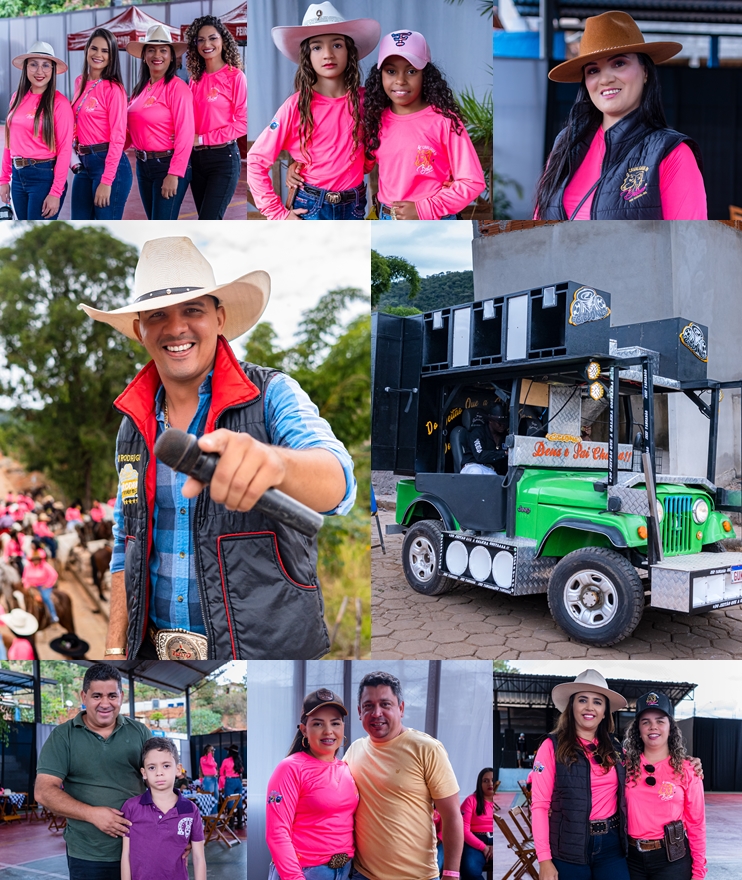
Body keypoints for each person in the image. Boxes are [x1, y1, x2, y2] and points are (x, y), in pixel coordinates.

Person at [78, 235, 355, 661]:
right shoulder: (131, 425)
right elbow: (125, 541)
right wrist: (116, 647)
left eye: (192, 310)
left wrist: (276, 464)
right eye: (157, 316)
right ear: (140, 330)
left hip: (262, 654)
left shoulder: (271, 394)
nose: (176, 328)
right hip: (154, 653)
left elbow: (339, 483)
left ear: (219, 317)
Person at [535, 11, 706, 221]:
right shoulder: (565, 143)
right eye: (593, 70)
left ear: (645, 72)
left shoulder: (672, 152)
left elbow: (689, 244)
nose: (605, 79)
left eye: (618, 64)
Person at [246, 2, 380, 220]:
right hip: (311, 207)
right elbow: (255, 160)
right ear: (307, 56)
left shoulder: (368, 101)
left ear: (350, 52)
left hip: (354, 204)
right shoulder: (295, 106)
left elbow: (375, 152)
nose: (328, 54)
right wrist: (278, 215)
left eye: (337, 45)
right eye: (317, 47)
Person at [34, 663, 150, 880]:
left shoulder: (141, 733)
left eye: (112, 696)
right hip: (88, 855)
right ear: (83, 696)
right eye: (97, 696)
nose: (105, 704)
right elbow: (43, 792)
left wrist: (177, 834)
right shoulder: (63, 736)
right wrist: (92, 814)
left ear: (122, 697)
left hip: (140, 847)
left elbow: (160, 784)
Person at [344, 671, 464, 880]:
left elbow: (452, 815)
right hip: (363, 874)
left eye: (385, 704)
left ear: (401, 708)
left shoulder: (426, 748)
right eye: (368, 706)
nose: (376, 713)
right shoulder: (354, 750)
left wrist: (452, 874)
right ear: (359, 712)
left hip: (417, 876)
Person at [363, 31, 485, 220]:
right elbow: (359, 165)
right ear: (380, 75)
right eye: (391, 71)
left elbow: (472, 181)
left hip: (433, 219)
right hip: (384, 217)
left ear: (425, 75)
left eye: (411, 71)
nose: (400, 80)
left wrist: (424, 209)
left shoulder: (444, 120)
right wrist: (300, 170)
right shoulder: (375, 119)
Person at [531, 669, 631, 880]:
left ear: (605, 711)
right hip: (568, 849)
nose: (589, 707)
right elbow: (540, 805)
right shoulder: (551, 746)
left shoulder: (616, 748)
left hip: (612, 846)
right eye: (582, 700)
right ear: (572, 707)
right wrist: (544, 860)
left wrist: (686, 763)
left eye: (597, 702)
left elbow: (647, 769)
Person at [266, 688, 358, 880]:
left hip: (345, 871)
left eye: (335, 723)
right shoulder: (290, 768)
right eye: (318, 724)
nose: (328, 731)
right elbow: (277, 833)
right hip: (305, 873)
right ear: (304, 730)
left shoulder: (347, 767)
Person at [623, 692, 706, 880]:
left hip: (673, 859)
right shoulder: (624, 767)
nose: (653, 726)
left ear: (670, 727)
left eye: (660, 721)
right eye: (646, 721)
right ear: (638, 729)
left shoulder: (688, 769)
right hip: (630, 858)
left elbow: (696, 824)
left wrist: (699, 872)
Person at [126, 25, 194, 220]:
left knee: (162, 224)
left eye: (163, 50)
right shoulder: (140, 89)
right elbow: (133, 131)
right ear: (144, 56)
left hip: (167, 164)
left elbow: (186, 133)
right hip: (142, 165)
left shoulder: (178, 88)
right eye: (151, 50)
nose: (158, 55)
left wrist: (174, 173)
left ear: (172, 56)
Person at [0, 41, 73, 220]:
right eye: (33, 64)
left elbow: (65, 150)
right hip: (17, 177)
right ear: (25, 68)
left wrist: (56, 192)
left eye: (46, 65)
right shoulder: (16, 98)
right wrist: (3, 179)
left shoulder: (60, 104)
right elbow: (10, 142)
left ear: (53, 69)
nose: (39, 71)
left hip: (44, 177)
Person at [185, 15, 247, 220]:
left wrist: (203, 139)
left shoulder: (235, 76)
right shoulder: (195, 79)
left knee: (209, 219)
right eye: (200, 40)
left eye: (212, 38)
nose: (206, 44)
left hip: (223, 159)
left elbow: (243, 124)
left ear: (223, 40)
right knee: (204, 219)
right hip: (195, 159)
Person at [70, 28, 132, 220]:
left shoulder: (114, 89)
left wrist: (107, 180)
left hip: (108, 165)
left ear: (112, 55)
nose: (98, 55)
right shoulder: (79, 82)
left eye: (105, 51)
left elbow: (118, 137)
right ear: (86, 50)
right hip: (83, 164)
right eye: (94, 48)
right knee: (78, 225)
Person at [121, 737, 206, 880]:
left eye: (166, 766)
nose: (159, 772)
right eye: (152, 767)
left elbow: (198, 857)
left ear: (178, 769)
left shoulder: (191, 810)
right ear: (144, 773)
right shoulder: (131, 807)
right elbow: (126, 855)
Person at [460, 768, 494, 880]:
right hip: (475, 840)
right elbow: (464, 830)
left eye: (492, 780)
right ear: (480, 783)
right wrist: (484, 847)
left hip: (497, 839)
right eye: (485, 780)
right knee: (470, 870)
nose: (490, 783)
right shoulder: (470, 801)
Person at [460, 405, 508, 476]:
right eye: (499, 423)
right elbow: (480, 456)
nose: (502, 425)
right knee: (478, 472)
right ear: (490, 421)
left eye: (504, 423)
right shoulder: (477, 433)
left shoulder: (506, 436)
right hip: (472, 466)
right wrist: (504, 453)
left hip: (490, 470)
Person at [22, 545, 59, 623]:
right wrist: (26, 585)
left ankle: (53, 615)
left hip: (43, 586)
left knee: (45, 598)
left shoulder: (45, 566)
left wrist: (47, 584)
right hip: (32, 587)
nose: (35, 561)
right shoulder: (28, 567)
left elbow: (54, 575)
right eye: (34, 559)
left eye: (37, 559)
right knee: (23, 598)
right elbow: (24, 577)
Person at [219, 743, 244, 827]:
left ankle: (231, 824)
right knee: (239, 802)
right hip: (238, 781)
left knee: (230, 801)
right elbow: (241, 770)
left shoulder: (226, 761)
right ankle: (240, 823)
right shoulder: (239, 760)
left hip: (230, 781)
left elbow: (221, 772)